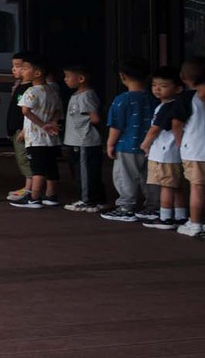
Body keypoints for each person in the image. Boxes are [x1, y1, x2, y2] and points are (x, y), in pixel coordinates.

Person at [101, 57, 158, 223]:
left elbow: (116, 125)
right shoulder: (153, 98)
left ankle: (126, 207)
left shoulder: (121, 100)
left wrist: (110, 143)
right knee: (150, 177)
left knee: (125, 177)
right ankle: (153, 207)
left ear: (122, 76)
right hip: (152, 146)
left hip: (127, 145)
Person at [10, 55, 62, 209]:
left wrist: (43, 124)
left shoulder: (31, 91)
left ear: (37, 73)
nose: (23, 71)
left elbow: (25, 111)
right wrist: (52, 122)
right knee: (51, 167)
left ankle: (34, 197)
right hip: (52, 139)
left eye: (26, 69)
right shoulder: (52, 90)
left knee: (37, 168)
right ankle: (51, 195)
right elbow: (58, 110)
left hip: (35, 137)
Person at [140, 66, 188, 230]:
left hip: (164, 154)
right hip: (173, 153)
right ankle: (181, 215)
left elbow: (155, 129)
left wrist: (145, 144)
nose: (157, 89)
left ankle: (166, 217)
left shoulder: (168, 106)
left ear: (178, 88)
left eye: (163, 86)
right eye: (154, 85)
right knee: (176, 186)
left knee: (166, 186)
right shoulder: (175, 105)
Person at [173, 56, 205, 236]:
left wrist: (179, 142)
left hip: (195, 149)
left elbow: (176, 123)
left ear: (183, 77)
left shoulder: (187, 98)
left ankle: (195, 222)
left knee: (197, 187)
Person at [60, 63, 105, 212]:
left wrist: (84, 123)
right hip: (75, 140)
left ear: (80, 78)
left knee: (85, 172)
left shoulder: (86, 95)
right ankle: (97, 199)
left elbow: (95, 118)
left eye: (68, 76)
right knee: (82, 171)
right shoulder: (77, 95)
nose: (65, 79)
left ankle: (88, 200)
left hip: (84, 140)